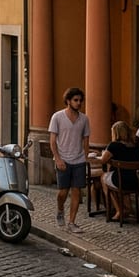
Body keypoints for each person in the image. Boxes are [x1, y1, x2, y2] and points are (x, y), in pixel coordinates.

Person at [49, 87, 90, 234]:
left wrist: (85, 157)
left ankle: (72, 222)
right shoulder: (57, 117)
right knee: (62, 192)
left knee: (76, 191)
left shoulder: (84, 119)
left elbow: (86, 139)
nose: (79, 103)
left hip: (78, 160)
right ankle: (60, 210)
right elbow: (53, 140)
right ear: (68, 101)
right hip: (63, 159)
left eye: (80, 100)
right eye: (76, 100)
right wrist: (58, 159)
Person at [99, 121, 139, 221]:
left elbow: (103, 160)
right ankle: (128, 208)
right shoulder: (136, 146)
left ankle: (119, 210)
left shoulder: (114, 145)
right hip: (135, 180)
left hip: (120, 180)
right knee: (114, 179)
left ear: (115, 133)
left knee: (104, 178)